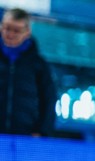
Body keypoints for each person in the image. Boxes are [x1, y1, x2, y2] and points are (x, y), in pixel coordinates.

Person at [0, 8, 56, 136]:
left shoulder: (39, 65)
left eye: (17, 30)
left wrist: (42, 132)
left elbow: (49, 100)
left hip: (26, 137)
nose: (10, 34)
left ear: (27, 32)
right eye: (7, 28)